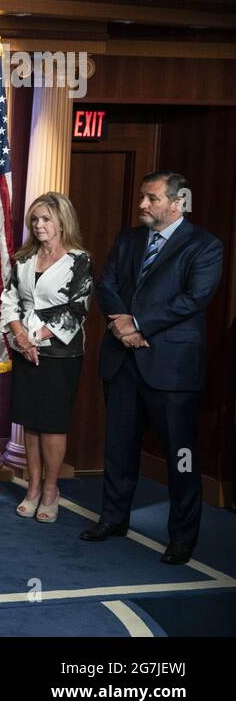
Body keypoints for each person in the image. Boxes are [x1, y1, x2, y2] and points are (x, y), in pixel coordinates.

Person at [82, 171, 222, 565]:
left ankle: (181, 538)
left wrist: (137, 324)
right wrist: (123, 327)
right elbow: (106, 284)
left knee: (181, 456)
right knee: (119, 449)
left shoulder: (205, 246)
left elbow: (194, 299)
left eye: (152, 198)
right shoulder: (128, 239)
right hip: (123, 362)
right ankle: (113, 520)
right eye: (142, 197)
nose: (142, 205)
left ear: (177, 203)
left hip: (172, 369)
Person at [0, 192, 92, 524]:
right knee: (30, 422)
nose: (39, 225)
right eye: (35, 219)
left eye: (46, 219)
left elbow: (76, 311)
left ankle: (51, 491)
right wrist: (20, 336)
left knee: (52, 423)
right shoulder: (23, 258)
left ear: (62, 221)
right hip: (25, 350)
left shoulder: (79, 260)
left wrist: (35, 337)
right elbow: (9, 299)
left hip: (60, 354)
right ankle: (33, 488)